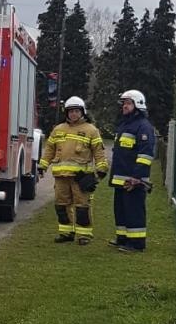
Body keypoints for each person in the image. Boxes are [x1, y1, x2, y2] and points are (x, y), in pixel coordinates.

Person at [38, 96, 108, 245]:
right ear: (66, 113)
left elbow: (99, 152)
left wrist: (101, 170)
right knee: (61, 205)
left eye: (76, 111)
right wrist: (42, 165)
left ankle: (84, 235)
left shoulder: (91, 130)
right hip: (61, 176)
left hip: (80, 177)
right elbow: (50, 149)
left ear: (82, 112)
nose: (73, 114)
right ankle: (66, 233)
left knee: (82, 206)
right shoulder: (58, 129)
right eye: (70, 111)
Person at [108, 89, 155, 251]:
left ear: (138, 104)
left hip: (133, 180)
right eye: (124, 103)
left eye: (128, 103)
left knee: (134, 211)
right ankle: (122, 238)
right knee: (121, 210)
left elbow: (146, 155)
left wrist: (137, 177)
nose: (124, 106)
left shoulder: (143, 127)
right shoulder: (125, 125)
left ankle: (136, 243)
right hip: (121, 179)